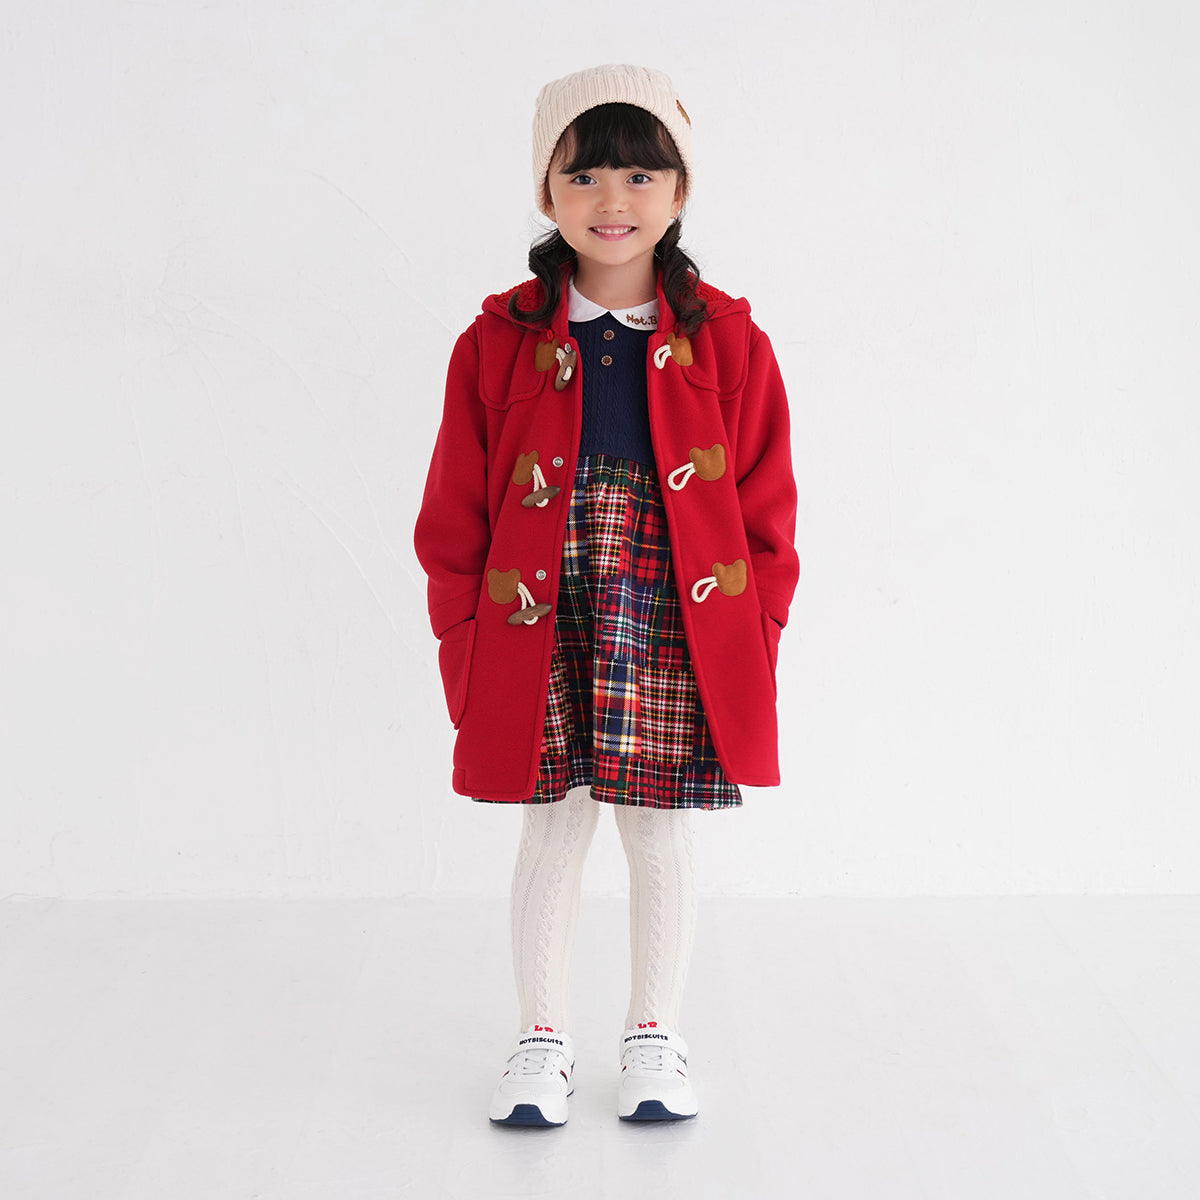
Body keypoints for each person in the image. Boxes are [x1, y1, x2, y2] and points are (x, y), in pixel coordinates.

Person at [413, 64, 799, 1126]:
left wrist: (755, 634)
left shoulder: (731, 340)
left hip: (675, 610)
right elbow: (452, 516)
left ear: (680, 191)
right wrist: (465, 640)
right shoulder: (496, 343)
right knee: (553, 824)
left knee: (656, 827)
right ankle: (542, 1037)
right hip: (538, 611)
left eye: (640, 174)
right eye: (583, 175)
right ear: (546, 192)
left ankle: (654, 1035)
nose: (612, 200)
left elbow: (768, 513)